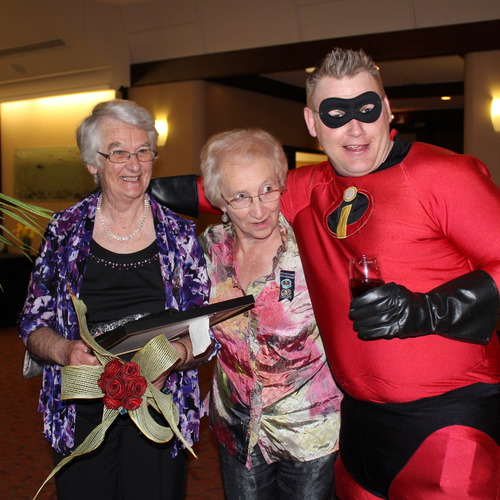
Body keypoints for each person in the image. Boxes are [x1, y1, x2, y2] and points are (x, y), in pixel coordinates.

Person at [150, 48, 500, 499]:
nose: (354, 128)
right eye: (336, 114)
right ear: (313, 124)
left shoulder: (444, 174)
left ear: (388, 109)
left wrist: (429, 309)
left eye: (367, 109)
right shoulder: (302, 188)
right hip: (355, 430)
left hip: (446, 424)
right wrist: (124, 180)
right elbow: (206, 191)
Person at [19, 99, 213, 500]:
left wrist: (174, 355)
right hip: (81, 410)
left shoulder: (179, 234)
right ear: (92, 162)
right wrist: (64, 350)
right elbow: (32, 322)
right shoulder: (65, 230)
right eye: (119, 152)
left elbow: (206, 330)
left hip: (160, 405)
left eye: (144, 151)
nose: (135, 164)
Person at [198, 128, 342, 499]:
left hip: (309, 432)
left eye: (267, 190)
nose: (259, 209)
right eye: (241, 197)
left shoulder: (312, 250)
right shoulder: (207, 252)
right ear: (220, 201)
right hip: (236, 427)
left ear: (282, 184)